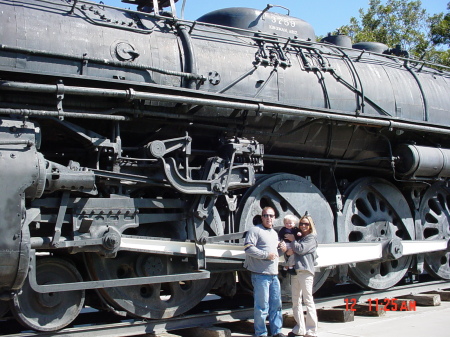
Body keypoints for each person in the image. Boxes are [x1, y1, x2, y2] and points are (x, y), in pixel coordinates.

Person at [243, 206, 286, 337]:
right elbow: (248, 248)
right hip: (260, 275)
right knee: (262, 307)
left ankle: (277, 331)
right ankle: (261, 333)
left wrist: (281, 250)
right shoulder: (255, 230)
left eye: (271, 216)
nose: (268, 218)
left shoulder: (274, 233)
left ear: (274, 218)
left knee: (276, 306)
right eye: (266, 215)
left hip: (274, 275)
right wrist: (265, 255)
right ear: (262, 217)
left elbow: (274, 254)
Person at [284, 213, 318, 337]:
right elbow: (292, 252)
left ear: (310, 226)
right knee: (295, 301)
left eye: (306, 224)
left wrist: (292, 241)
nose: (303, 226)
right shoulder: (299, 238)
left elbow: (301, 249)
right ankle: (300, 328)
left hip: (305, 271)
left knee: (308, 300)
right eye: (301, 223)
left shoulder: (311, 238)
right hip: (296, 271)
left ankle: (312, 330)